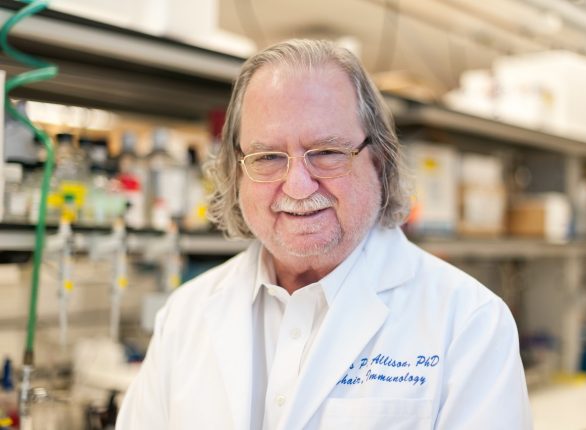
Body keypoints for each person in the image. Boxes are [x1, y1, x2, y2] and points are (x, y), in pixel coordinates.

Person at [116, 39, 532, 429]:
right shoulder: (185, 315)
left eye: (328, 153)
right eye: (267, 157)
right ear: (236, 172)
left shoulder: (469, 323)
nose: (298, 187)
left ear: (379, 162)